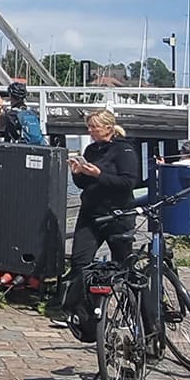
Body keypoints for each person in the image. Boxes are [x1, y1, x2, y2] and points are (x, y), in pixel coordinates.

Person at [61, 109, 140, 339]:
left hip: (117, 213)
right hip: (91, 213)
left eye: (93, 127)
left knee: (123, 263)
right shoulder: (91, 149)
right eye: (89, 126)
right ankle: (81, 313)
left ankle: (131, 309)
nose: (90, 131)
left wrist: (98, 174)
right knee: (80, 261)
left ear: (107, 128)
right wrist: (77, 173)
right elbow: (84, 184)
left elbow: (127, 183)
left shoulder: (123, 150)